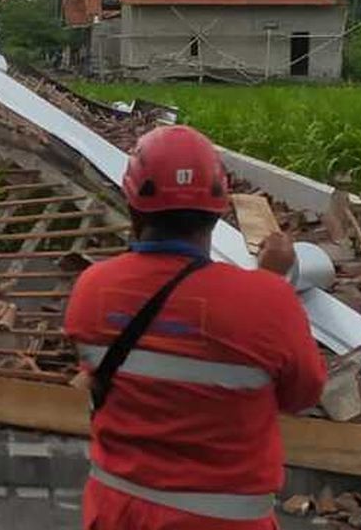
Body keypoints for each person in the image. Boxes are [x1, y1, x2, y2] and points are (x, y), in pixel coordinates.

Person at [65, 125, 326, 530]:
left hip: (117, 514)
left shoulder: (91, 291)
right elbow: (301, 394)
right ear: (219, 210)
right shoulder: (268, 302)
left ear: (133, 208)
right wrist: (274, 284)